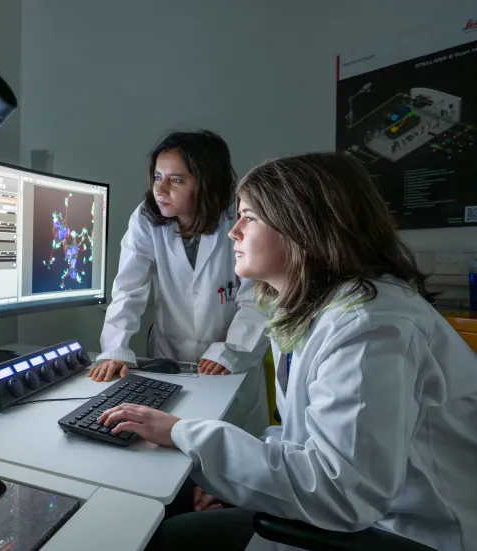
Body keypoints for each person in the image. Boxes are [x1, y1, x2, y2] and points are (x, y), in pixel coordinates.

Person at [97, 152, 477, 551]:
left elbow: (340, 492)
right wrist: (240, 479)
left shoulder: (370, 327)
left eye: (250, 217)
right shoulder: (312, 305)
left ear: (302, 227)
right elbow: (306, 435)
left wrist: (182, 433)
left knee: (156, 539)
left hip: (403, 533)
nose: (233, 232)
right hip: (356, 513)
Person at [88, 130, 270, 435]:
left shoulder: (239, 220)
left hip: (230, 364)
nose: (160, 189)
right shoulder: (146, 219)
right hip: (168, 358)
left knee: (231, 455)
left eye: (176, 180)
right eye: (157, 176)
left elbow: (258, 297)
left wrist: (232, 350)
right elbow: (128, 290)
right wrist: (115, 349)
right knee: (172, 447)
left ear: (206, 183)